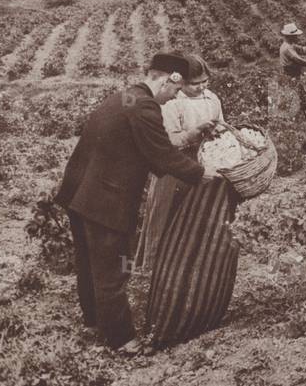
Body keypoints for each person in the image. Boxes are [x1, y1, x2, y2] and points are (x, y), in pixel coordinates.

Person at [54, 53, 215, 355]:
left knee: (90, 265)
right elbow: (161, 156)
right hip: (105, 200)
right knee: (114, 271)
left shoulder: (125, 97)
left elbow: (143, 143)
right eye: (176, 90)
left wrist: (190, 135)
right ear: (170, 79)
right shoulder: (145, 106)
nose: (174, 98)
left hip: (80, 194)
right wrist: (201, 173)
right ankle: (122, 340)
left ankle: (93, 323)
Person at [136, 54, 224, 271]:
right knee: (168, 212)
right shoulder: (173, 103)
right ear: (182, 83)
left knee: (199, 213)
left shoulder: (211, 98)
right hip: (176, 166)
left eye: (205, 82)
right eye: (195, 84)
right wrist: (193, 134)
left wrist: (217, 132)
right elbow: (168, 141)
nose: (202, 87)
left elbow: (222, 124)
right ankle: (158, 264)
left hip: (205, 162)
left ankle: (193, 261)